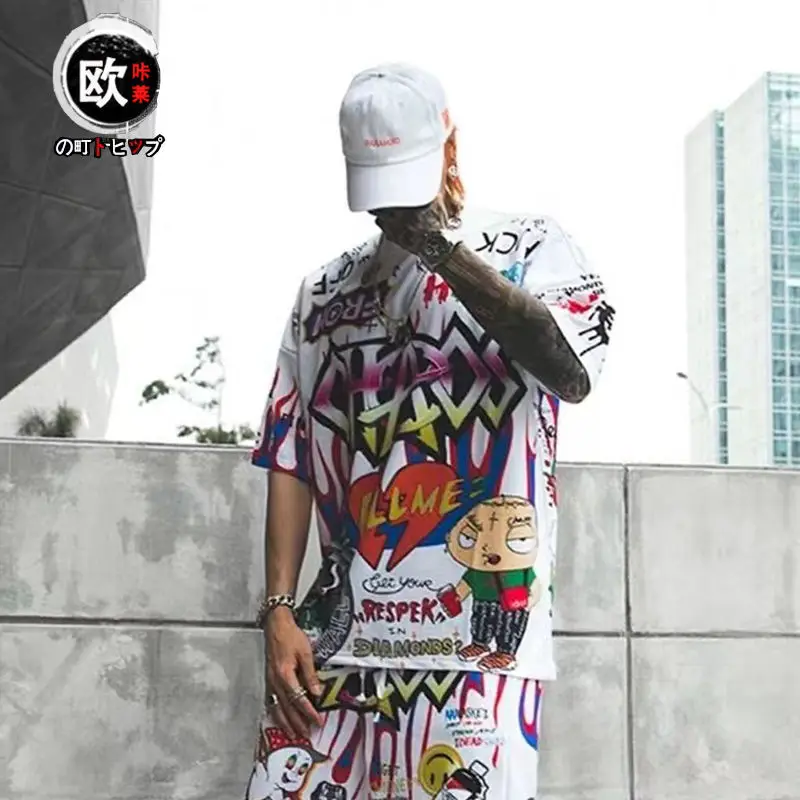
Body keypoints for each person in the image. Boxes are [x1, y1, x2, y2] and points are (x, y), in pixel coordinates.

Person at [245, 62, 614, 800]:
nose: (391, 208)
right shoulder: (322, 293)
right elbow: (290, 452)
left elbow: (570, 372)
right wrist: (278, 611)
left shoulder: (531, 248)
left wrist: (441, 251)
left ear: (450, 146)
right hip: (336, 643)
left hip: (479, 651)